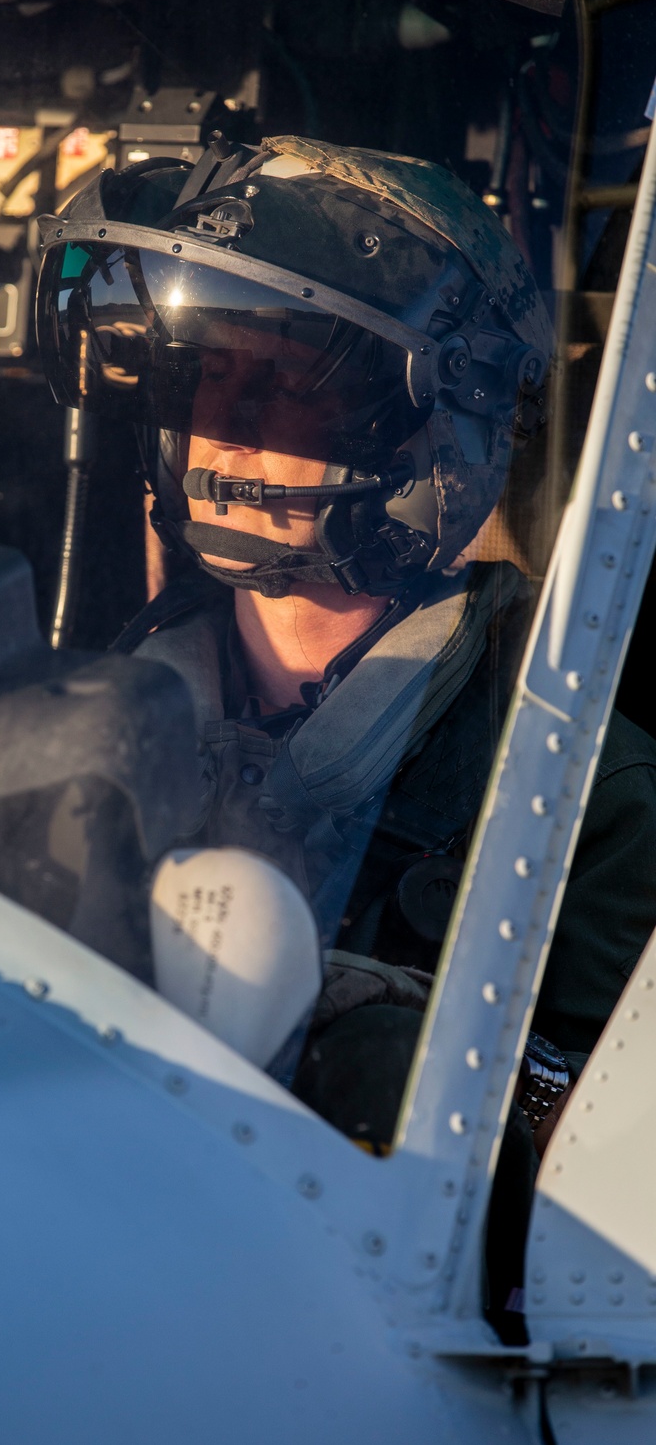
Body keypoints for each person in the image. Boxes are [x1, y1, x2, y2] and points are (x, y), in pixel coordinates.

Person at [34, 134, 656, 1320]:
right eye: (202, 377)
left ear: (432, 437)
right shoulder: (94, 713)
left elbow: (572, 1232)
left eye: (286, 382)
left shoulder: (583, 791)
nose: (223, 430)